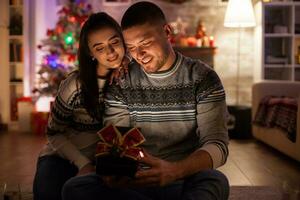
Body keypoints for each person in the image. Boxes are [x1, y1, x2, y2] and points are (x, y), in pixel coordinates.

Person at [62, 1, 229, 200]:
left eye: (146, 43)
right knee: (75, 188)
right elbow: (117, 142)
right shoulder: (122, 80)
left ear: (167, 32)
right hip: (135, 181)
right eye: (131, 48)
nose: (139, 55)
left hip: (183, 177)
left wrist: (174, 171)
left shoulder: (203, 78)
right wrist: (114, 170)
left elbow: (217, 145)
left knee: (215, 180)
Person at [33, 12, 126, 200]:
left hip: (106, 158)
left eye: (114, 42)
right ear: (91, 53)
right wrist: (82, 164)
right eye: (99, 48)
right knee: (48, 194)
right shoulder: (74, 85)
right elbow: (53, 132)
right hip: (62, 156)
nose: (110, 52)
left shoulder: (129, 77)